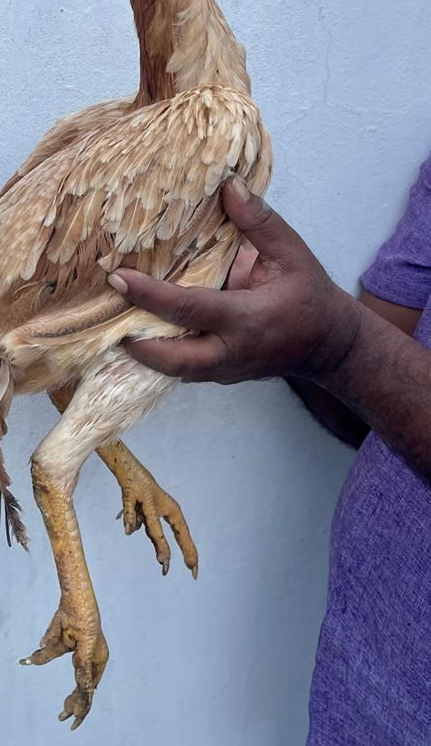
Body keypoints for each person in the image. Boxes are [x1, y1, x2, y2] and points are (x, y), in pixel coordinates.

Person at [107, 154, 431, 745]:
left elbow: (356, 354)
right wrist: (279, 322)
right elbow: (381, 411)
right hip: (357, 684)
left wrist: (335, 346)